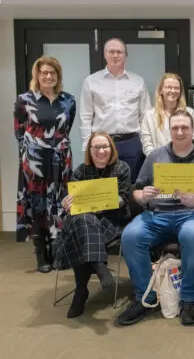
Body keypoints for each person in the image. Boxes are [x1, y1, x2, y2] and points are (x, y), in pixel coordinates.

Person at [116, 110, 194, 327]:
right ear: (169, 130)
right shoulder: (155, 156)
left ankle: (190, 298)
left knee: (191, 234)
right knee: (130, 235)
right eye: (175, 128)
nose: (180, 132)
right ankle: (145, 298)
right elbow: (136, 191)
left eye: (185, 127)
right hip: (158, 214)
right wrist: (142, 196)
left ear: (193, 129)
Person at [53, 132, 131, 318]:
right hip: (85, 219)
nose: (101, 151)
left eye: (105, 146)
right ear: (90, 150)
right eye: (96, 147)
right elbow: (72, 204)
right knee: (83, 221)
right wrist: (67, 204)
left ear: (111, 149)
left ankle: (81, 291)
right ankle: (98, 265)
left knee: (83, 225)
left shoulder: (122, 168)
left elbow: (123, 199)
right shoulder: (80, 171)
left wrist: (95, 206)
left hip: (112, 220)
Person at [14, 56, 77, 272]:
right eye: (44, 73)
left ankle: (58, 249)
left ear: (58, 75)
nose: (48, 76)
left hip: (61, 160)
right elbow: (19, 133)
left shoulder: (68, 100)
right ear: (37, 75)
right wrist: (33, 153)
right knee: (39, 205)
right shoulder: (24, 100)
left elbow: (66, 130)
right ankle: (41, 253)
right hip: (34, 162)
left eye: (52, 72)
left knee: (61, 203)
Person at [79, 38, 151, 182]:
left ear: (125, 55)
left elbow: (145, 116)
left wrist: (145, 144)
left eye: (119, 52)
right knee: (103, 186)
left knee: (132, 184)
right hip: (102, 144)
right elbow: (85, 116)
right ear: (105, 54)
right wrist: (88, 146)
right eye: (112, 51)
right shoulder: (91, 81)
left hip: (132, 143)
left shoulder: (138, 81)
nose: (116, 55)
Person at [140, 73, 194, 155]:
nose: (173, 91)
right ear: (161, 90)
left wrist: (187, 157)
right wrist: (157, 159)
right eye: (169, 87)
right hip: (159, 163)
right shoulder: (149, 115)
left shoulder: (190, 113)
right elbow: (147, 144)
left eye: (176, 88)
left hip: (186, 161)